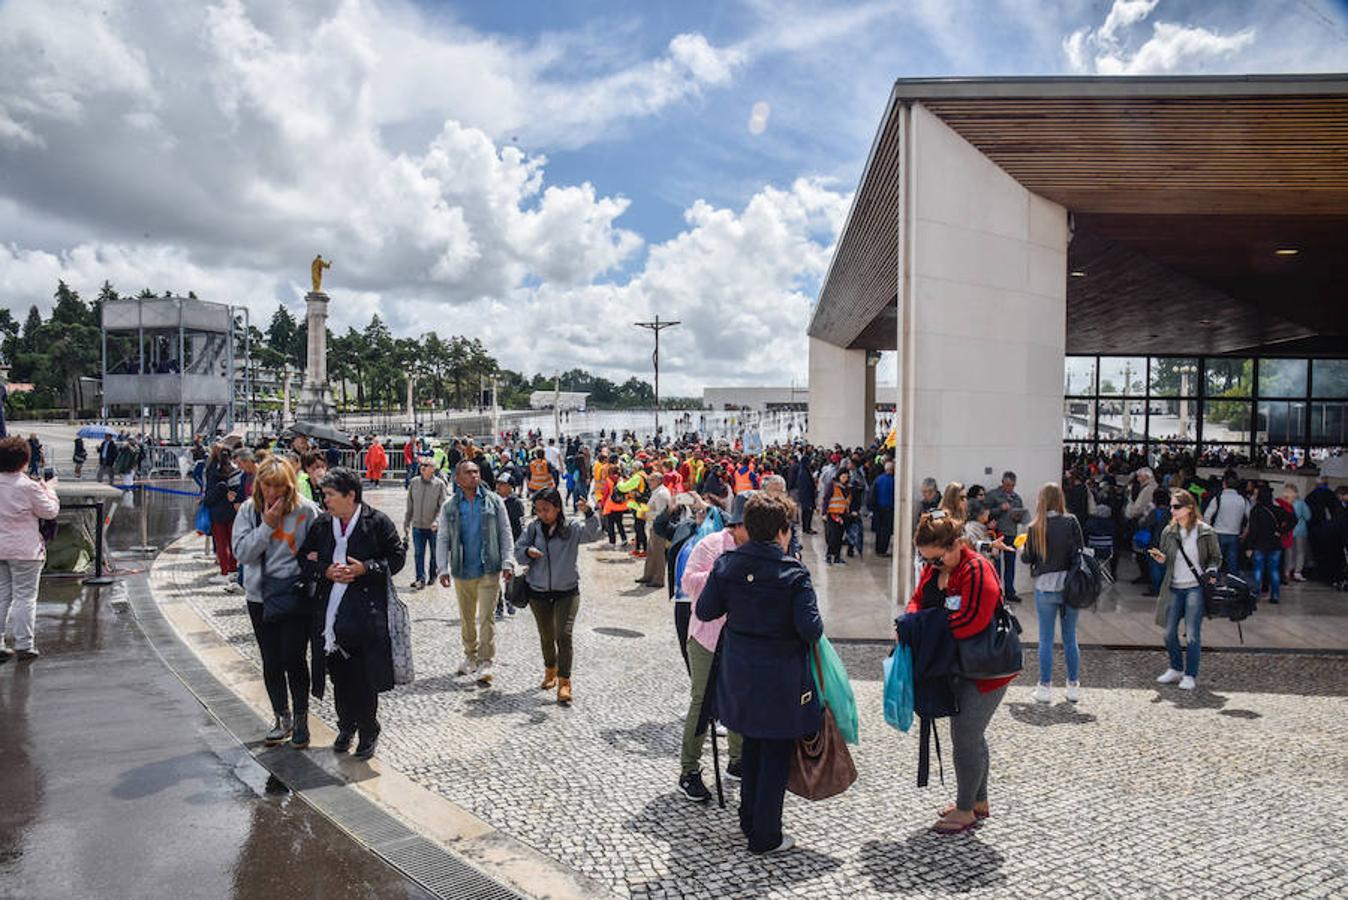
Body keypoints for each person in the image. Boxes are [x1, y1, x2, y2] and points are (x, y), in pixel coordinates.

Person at [696, 492, 823, 855]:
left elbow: (706, 611)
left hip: (739, 674)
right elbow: (811, 630)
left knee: (751, 744)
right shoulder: (793, 573)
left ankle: (749, 818)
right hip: (781, 678)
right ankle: (765, 836)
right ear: (783, 532)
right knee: (775, 754)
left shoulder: (726, 565)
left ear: (747, 527)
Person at [907, 511, 1015, 834]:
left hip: (987, 670)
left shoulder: (978, 569)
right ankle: (978, 801)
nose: (932, 565)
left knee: (965, 737)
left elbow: (971, 622)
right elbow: (917, 602)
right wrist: (912, 622)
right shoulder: (933, 568)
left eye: (937, 559)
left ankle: (966, 809)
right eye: (926, 560)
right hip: (958, 667)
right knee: (972, 735)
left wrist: (922, 629)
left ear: (956, 544)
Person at [300, 468, 406, 759]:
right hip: (329, 615)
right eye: (324, 495)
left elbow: (396, 559)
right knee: (339, 676)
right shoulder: (322, 524)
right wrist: (325, 569)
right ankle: (345, 725)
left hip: (364, 613)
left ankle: (369, 728)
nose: (326, 501)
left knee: (363, 677)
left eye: (331, 495)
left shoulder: (377, 522)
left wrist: (365, 568)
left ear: (351, 495)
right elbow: (304, 558)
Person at [232, 456, 321, 748]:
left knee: (293, 657)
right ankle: (280, 716)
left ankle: (300, 719)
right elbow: (242, 554)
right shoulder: (249, 510)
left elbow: (323, 543)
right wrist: (267, 526)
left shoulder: (306, 511)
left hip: (295, 594)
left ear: (290, 486)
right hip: (260, 596)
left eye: (279, 487)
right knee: (271, 659)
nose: (273, 493)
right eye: (268, 485)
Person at [677, 491, 751, 803]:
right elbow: (687, 582)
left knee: (737, 699)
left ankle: (738, 760)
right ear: (738, 524)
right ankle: (689, 770)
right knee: (702, 702)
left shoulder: (757, 549)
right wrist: (722, 572)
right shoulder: (711, 544)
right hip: (707, 637)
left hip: (740, 638)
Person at [513, 489, 600, 704]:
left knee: (564, 634)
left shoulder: (571, 528)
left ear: (557, 508)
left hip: (567, 591)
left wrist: (589, 513)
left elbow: (594, 534)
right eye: (538, 510)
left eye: (546, 509)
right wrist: (527, 553)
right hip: (538, 591)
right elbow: (518, 550)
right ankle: (550, 670)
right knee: (546, 635)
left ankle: (564, 681)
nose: (542, 514)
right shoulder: (533, 528)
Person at [436, 459, 514, 686]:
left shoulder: (494, 501)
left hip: (489, 567)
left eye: (476, 472)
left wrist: (508, 562)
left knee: (487, 617)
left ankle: (486, 661)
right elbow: (442, 538)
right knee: (467, 618)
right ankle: (470, 655)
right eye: (468, 472)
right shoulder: (449, 506)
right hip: (462, 569)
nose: (474, 475)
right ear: (458, 479)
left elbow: (505, 532)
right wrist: (442, 568)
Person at [1149, 489, 1221, 691]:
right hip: (1173, 587)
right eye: (1171, 506)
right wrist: (1162, 559)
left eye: (1176, 506)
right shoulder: (1168, 532)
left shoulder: (1205, 531)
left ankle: (1190, 674)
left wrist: (1212, 570)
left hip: (1195, 588)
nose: (1172, 510)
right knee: (1168, 632)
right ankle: (1176, 667)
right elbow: (1167, 556)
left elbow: (1215, 557)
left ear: (1189, 508)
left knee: (1192, 634)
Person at [1019, 483, 1084, 704]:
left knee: (1045, 639)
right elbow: (1079, 552)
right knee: (1070, 638)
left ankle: (1045, 687)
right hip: (1069, 586)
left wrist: (1022, 549)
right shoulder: (1071, 521)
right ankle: (1073, 685)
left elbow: (1027, 558)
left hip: (1045, 587)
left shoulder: (1035, 526)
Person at [0, 437, 60, 661]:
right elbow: (50, 511)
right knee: (24, 597)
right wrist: (50, 490)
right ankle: (24, 644)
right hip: (25, 550)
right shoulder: (28, 486)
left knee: (2, 595)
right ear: (24, 461)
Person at [403, 457, 448, 591]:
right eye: (422, 464)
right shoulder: (414, 482)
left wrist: (437, 521)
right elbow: (410, 506)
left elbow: (443, 507)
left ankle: (432, 575)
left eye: (427, 465)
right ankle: (420, 578)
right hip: (418, 525)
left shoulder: (440, 485)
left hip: (433, 527)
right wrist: (406, 524)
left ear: (433, 469)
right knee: (418, 553)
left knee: (434, 553)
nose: (423, 467)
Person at [204, 449, 244, 588]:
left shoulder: (213, 473)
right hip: (233, 511)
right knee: (233, 542)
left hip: (218, 512)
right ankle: (233, 569)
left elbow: (209, 496)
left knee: (222, 544)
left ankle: (224, 572)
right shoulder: (237, 473)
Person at [985, 471, 1025, 602]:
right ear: (1002, 483)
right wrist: (1000, 509)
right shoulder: (993, 495)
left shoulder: (1017, 498)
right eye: (1007, 485)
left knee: (1010, 564)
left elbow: (1021, 516)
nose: (1010, 488)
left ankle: (1010, 592)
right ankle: (996, 593)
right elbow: (985, 513)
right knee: (995, 565)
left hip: (1011, 533)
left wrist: (1019, 516)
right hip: (997, 534)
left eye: (1012, 485)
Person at [1246, 483, 1287, 604]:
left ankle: (1255, 595)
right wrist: (1281, 531)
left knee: (1258, 570)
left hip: (1260, 544)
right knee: (1273, 570)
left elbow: (1253, 531)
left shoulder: (1256, 511)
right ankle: (1275, 595)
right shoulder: (1277, 510)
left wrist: (1249, 546)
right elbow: (1292, 519)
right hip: (1275, 544)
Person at [1203, 475, 1249, 575]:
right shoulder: (1243, 500)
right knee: (1233, 564)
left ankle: (1213, 585)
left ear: (1224, 484)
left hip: (1218, 533)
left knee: (1215, 563)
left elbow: (1207, 516)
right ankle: (1233, 585)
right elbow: (1250, 518)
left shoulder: (1218, 498)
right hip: (1234, 534)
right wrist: (1245, 532)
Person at [494, 473, 525, 619]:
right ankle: (498, 603)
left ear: (510, 487)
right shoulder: (492, 500)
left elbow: (521, 524)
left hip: (510, 544)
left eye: (502, 484)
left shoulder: (516, 503)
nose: (498, 486)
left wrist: (520, 544)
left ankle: (509, 599)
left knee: (509, 574)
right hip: (493, 543)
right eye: (498, 483)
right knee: (493, 575)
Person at [637, 471, 671, 587]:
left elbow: (661, 514)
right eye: (649, 480)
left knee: (658, 554)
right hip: (653, 526)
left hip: (658, 527)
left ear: (659, 481)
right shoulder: (657, 492)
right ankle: (648, 575)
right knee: (651, 552)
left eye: (651, 480)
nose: (649, 482)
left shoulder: (661, 493)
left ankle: (658, 579)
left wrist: (645, 514)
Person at [820, 467, 853, 565]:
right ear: (839, 476)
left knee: (839, 537)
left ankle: (837, 557)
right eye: (843, 476)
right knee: (833, 537)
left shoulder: (848, 488)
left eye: (847, 477)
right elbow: (826, 499)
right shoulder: (832, 486)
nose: (845, 479)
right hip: (832, 515)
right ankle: (829, 555)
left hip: (843, 515)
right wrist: (824, 513)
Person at [1282, 483, 1311, 583]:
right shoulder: (1301, 503)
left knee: (1289, 552)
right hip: (1300, 531)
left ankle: (1287, 571)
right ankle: (1297, 572)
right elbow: (1308, 516)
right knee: (1300, 552)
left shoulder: (1284, 504)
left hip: (1288, 531)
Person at [870, 460, 895, 557]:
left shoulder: (878, 479)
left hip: (878, 508)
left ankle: (878, 549)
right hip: (889, 509)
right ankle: (882, 550)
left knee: (879, 530)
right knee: (886, 531)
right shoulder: (894, 481)